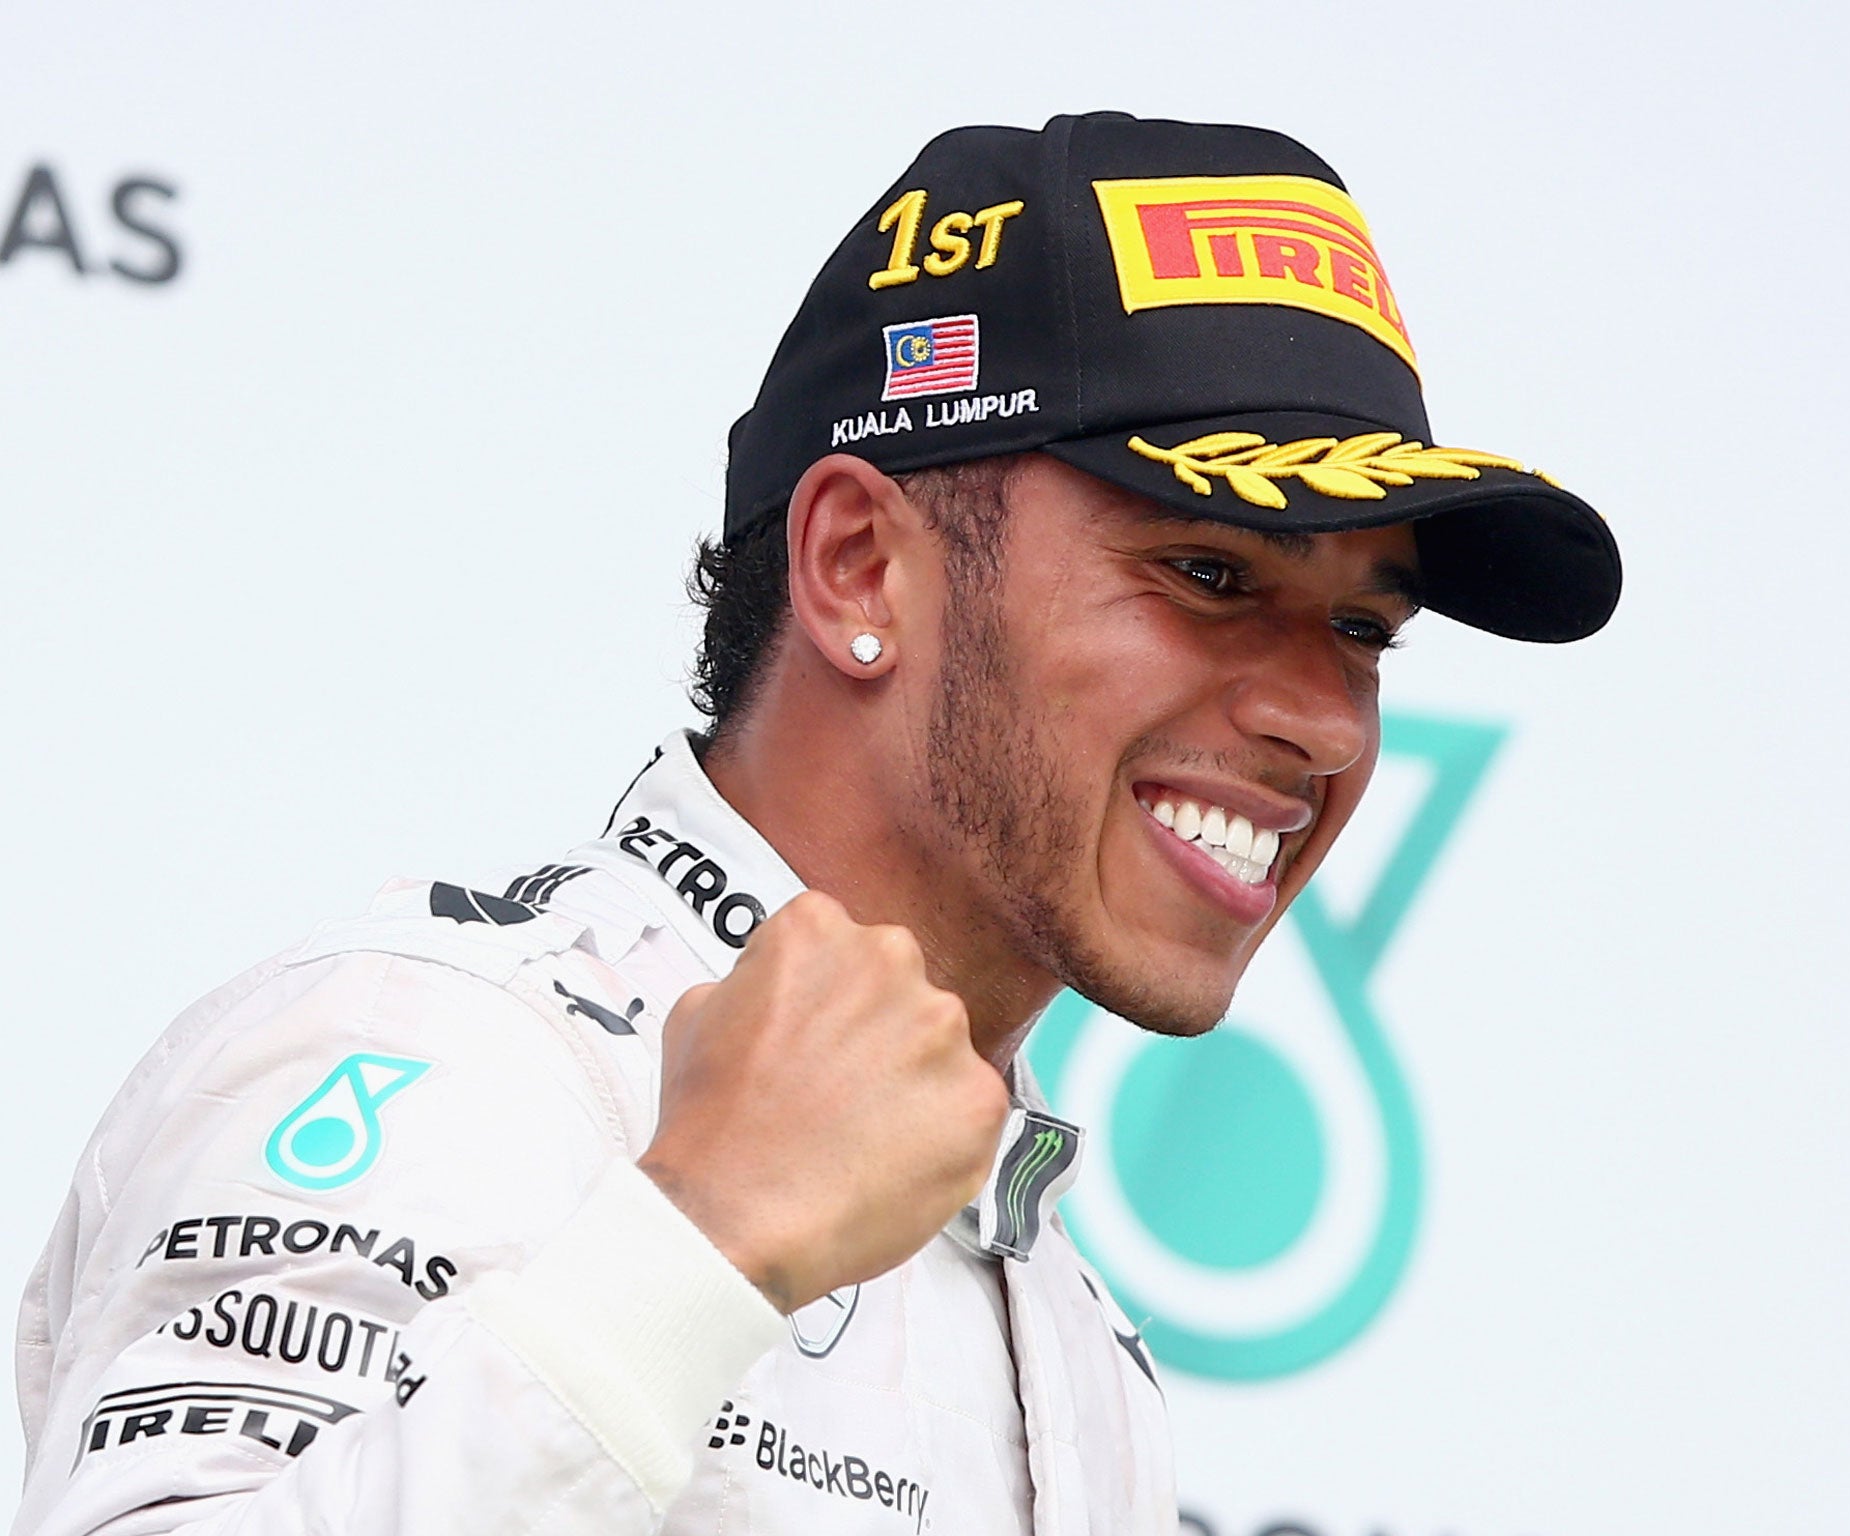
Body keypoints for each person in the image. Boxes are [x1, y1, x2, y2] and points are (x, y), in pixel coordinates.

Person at [11, 112, 1620, 1536]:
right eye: (1210, 576)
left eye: (1364, 632)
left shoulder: (1068, 1324)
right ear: (860, 562)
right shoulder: (451, 1062)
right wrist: (688, 1252)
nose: (1324, 721)